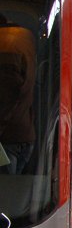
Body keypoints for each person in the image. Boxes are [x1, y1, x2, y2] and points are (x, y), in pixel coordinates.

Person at [0, 14, 36, 174]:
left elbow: (8, 94)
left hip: (8, 139)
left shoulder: (6, 44)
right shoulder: (25, 38)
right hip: (24, 133)